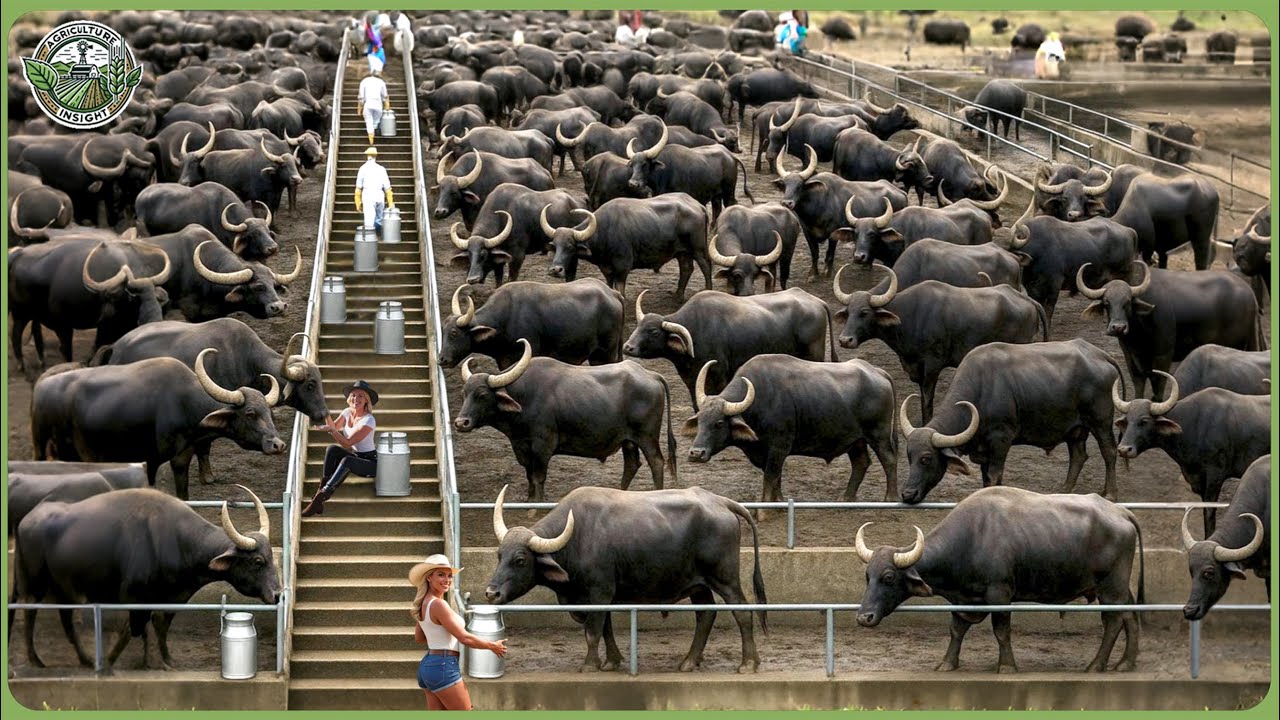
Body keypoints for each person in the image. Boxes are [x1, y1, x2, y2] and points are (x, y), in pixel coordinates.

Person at [410, 555, 508, 710]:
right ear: (429, 577)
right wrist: (492, 646)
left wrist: (440, 637)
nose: (447, 580)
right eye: (441, 574)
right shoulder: (438, 605)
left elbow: (420, 637)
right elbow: (464, 637)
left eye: (449, 575)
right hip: (443, 666)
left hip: (428, 667)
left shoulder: (424, 603)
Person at [301, 380, 380, 517]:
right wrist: (326, 413)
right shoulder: (347, 412)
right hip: (357, 456)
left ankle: (321, 497)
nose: (356, 399)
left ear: (367, 400)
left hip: (370, 463)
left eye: (361, 396)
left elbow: (347, 443)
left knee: (347, 460)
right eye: (354, 395)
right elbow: (335, 427)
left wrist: (332, 431)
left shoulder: (369, 420)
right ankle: (319, 496)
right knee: (332, 449)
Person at [355, 146, 394, 235]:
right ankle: (378, 234)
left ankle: (370, 238)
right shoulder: (381, 169)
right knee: (379, 217)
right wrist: (390, 202)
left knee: (369, 218)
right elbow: (388, 188)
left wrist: (358, 202)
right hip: (380, 194)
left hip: (368, 195)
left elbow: (358, 188)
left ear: (367, 156)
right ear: (376, 156)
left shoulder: (362, 169)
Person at [358, 65, 390, 146]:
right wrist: (387, 106)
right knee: (375, 122)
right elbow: (385, 96)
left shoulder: (364, 81)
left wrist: (360, 107)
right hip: (378, 105)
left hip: (368, 104)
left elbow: (361, 96)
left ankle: (371, 140)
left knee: (368, 121)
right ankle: (375, 132)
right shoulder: (381, 82)